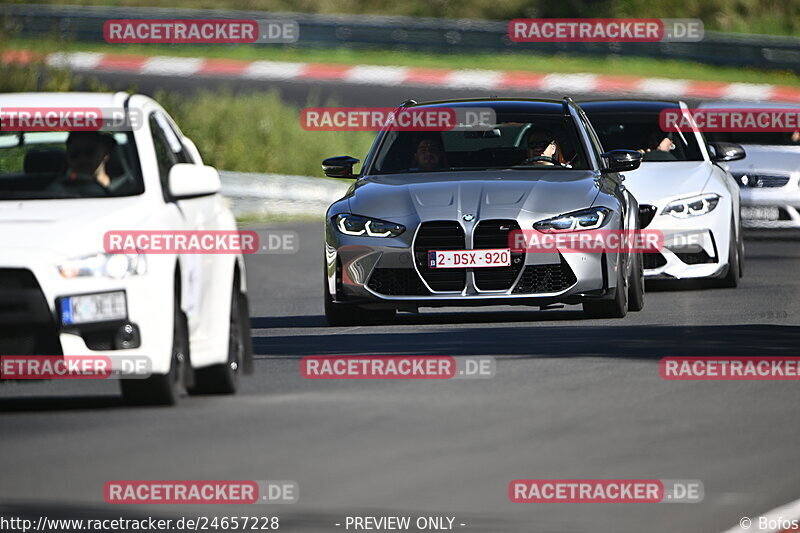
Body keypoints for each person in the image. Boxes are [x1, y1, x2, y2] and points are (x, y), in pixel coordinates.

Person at [49, 131, 117, 194]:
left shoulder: (123, 188)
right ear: (68, 159)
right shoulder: (57, 191)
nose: (82, 159)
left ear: (105, 154)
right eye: (74, 154)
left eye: (89, 152)